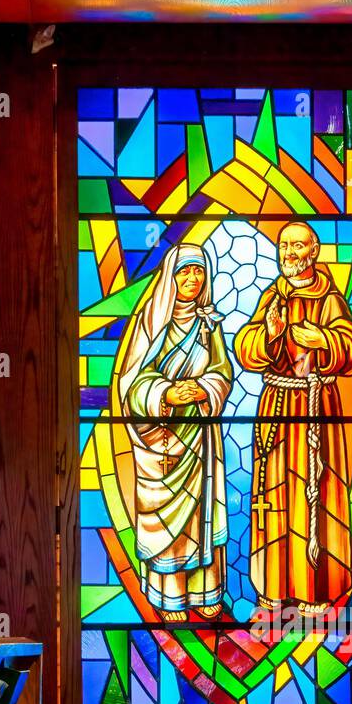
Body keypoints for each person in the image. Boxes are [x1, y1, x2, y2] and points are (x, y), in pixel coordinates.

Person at [234, 222, 352, 617]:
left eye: (297, 245)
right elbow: (246, 347)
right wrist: (270, 334)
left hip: (316, 410)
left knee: (315, 494)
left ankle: (315, 590)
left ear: (314, 251)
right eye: (284, 245)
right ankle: (274, 587)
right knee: (274, 499)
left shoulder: (328, 297)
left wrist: (323, 340)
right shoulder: (273, 295)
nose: (288, 252)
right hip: (277, 407)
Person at [118, 244, 232, 622]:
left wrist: (204, 389)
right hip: (161, 440)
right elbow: (130, 383)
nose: (193, 279)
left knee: (200, 515)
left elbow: (223, 372)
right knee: (168, 520)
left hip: (199, 436)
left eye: (199, 271)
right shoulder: (151, 322)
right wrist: (165, 392)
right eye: (185, 272)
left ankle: (204, 590)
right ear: (171, 276)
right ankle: (171, 594)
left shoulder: (207, 323)